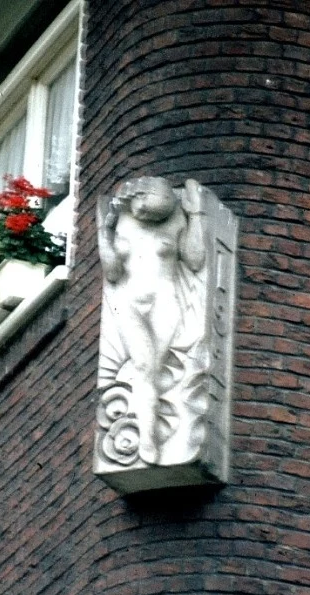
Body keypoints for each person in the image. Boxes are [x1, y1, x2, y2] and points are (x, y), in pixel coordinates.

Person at [98, 176, 205, 463]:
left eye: (151, 211)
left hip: (164, 302)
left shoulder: (176, 220)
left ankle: (148, 428)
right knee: (145, 367)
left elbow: (195, 260)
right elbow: (111, 272)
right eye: (141, 208)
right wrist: (103, 231)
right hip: (129, 304)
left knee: (150, 371)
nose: (144, 215)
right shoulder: (120, 220)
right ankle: (146, 440)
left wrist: (195, 215)